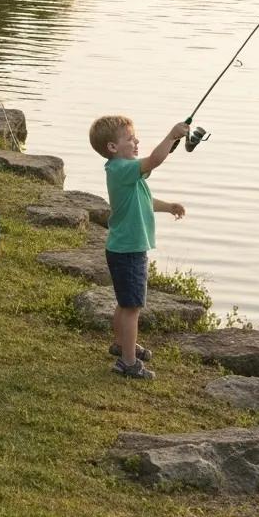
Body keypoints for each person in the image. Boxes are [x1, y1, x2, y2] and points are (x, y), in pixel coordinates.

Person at [88, 116, 189, 380]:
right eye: (131, 139)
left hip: (122, 247)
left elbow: (144, 198)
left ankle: (122, 344)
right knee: (132, 307)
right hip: (129, 249)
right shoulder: (122, 169)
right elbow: (155, 160)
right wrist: (172, 135)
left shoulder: (125, 171)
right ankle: (128, 363)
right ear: (112, 147)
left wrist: (168, 207)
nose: (137, 142)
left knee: (124, 303)